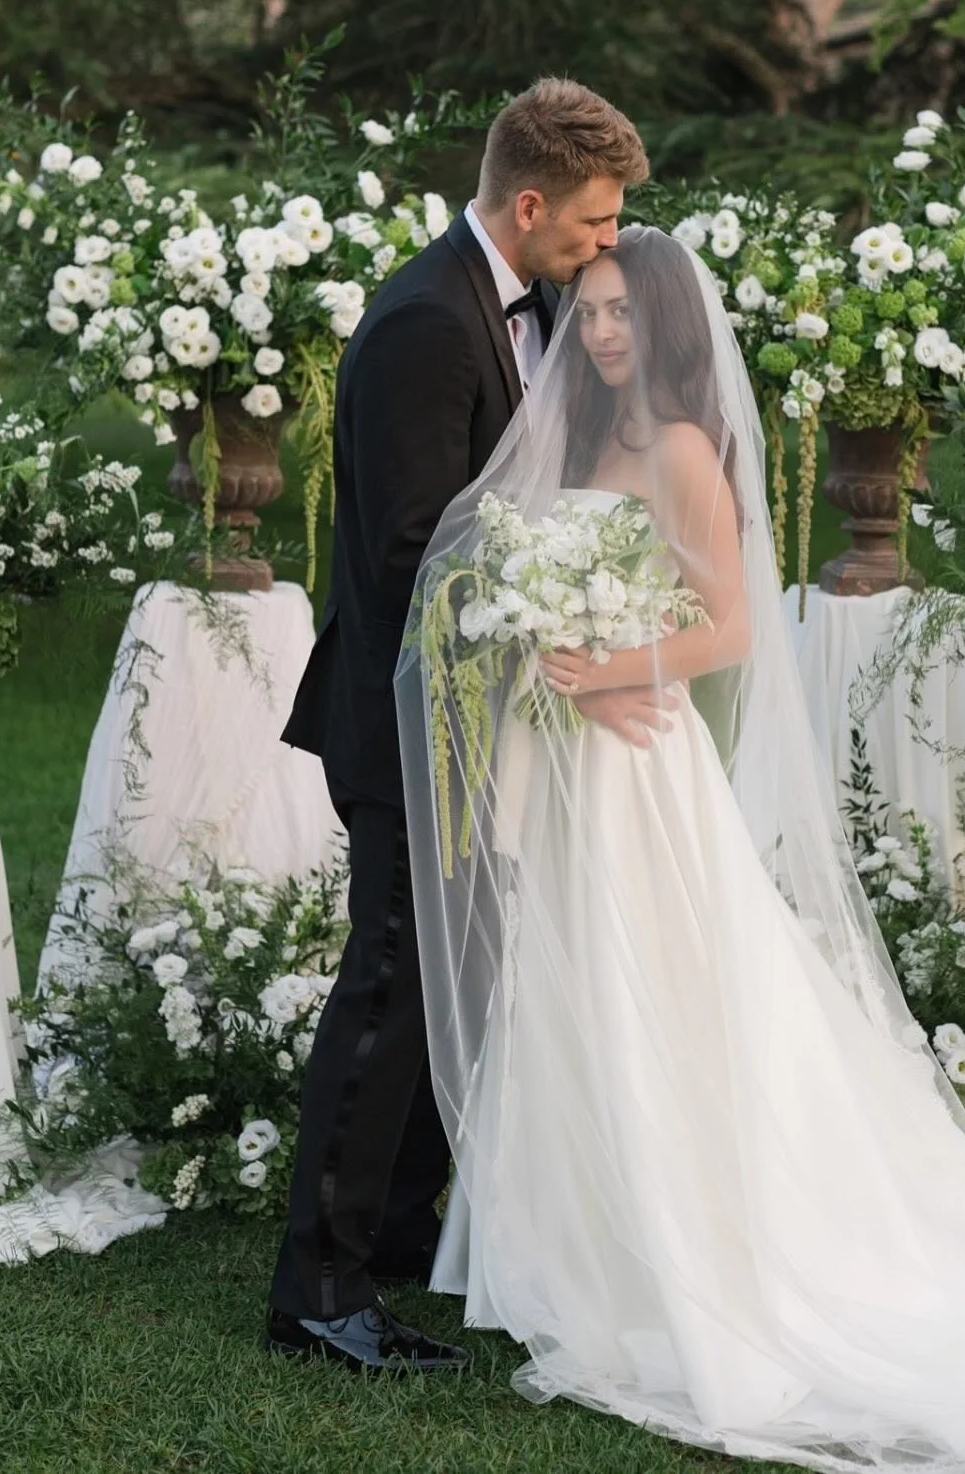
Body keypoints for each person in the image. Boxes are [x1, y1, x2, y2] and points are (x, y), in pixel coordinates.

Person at [395, 227, 965, 1468]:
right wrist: (540, 655)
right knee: (563, 972)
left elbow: (728, 628)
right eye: (594, 307)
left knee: (655, 983)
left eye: (625, 311)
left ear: (668, 325)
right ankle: (561, 1233)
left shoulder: (680, 447)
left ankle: (679, 1240)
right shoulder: (572, 439)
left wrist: (603, 667)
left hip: (637, 761)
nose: (604, 329)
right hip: (571, 750)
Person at [267, 79, 653, 1373]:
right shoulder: (426, 322)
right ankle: (316, 1286)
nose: (607, 243)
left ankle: (384, 1226)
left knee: (455, 985)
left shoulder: (530, 301)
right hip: (411, 718)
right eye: (595, 221)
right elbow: (412, 542)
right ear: (530, 202)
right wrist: (552, 617)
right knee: (386, 987)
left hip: (493, 721)